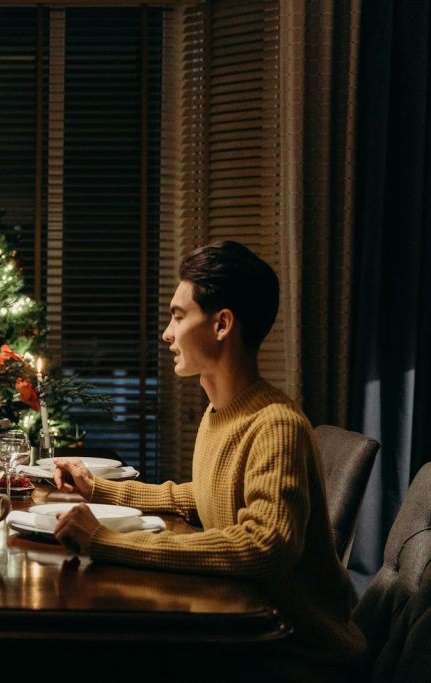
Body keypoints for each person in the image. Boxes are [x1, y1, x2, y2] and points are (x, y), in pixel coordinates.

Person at [53, 241, 365, 680]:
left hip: (294, 656)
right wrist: (99, 489)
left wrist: (107, 541)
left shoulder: (275, 424)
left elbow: (265, 546)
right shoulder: (219, 414)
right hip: (244, 637)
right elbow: (203, 496)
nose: (166, 333)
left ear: (221, 324)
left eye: (179, 317)